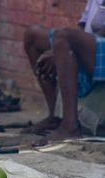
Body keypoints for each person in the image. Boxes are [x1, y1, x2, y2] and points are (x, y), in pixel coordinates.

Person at [23, 0, 105, 141]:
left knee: (63, 37)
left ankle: (70, 126)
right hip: (93, 45)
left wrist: (64, 46)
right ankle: (55, 116)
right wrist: (60, 47)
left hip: (99, 43)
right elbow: (83, 25)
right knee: (33, 35)